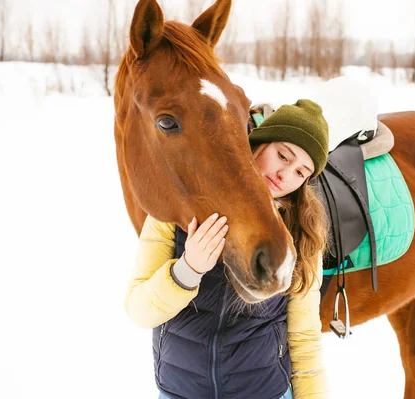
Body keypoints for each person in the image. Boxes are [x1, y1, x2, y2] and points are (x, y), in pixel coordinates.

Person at [125, 99, 330, 399]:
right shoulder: (181, 202)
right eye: (283, 156)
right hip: (181, 392)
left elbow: (305, 340)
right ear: (258, 143)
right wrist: (187, 270)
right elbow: (140, 311)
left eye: (301, 173)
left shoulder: (300, 233)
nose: (286, 175)